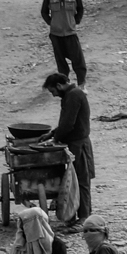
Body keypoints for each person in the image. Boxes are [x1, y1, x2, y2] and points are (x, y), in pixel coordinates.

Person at [45, 72, 94, 226]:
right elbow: (66, 123)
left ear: (59, 86)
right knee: (74, 180)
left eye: (53, 91)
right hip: (74, 144)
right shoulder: (70, 95)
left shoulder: (74, 95)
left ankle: (84, 217)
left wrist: (55, 138)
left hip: (79, 144)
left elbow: (68, 124)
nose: (53, 95)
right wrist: (51, 134)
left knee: (81, 181)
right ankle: (75, 215)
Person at [41, 0, 87, 85]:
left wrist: (75, 21)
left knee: (78, 60)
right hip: (56, 34)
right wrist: (52, 23)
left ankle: (81, 84)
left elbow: (80, 8)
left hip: (70, 32)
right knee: (60, 61)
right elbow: (44, 11)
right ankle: (64, 84)